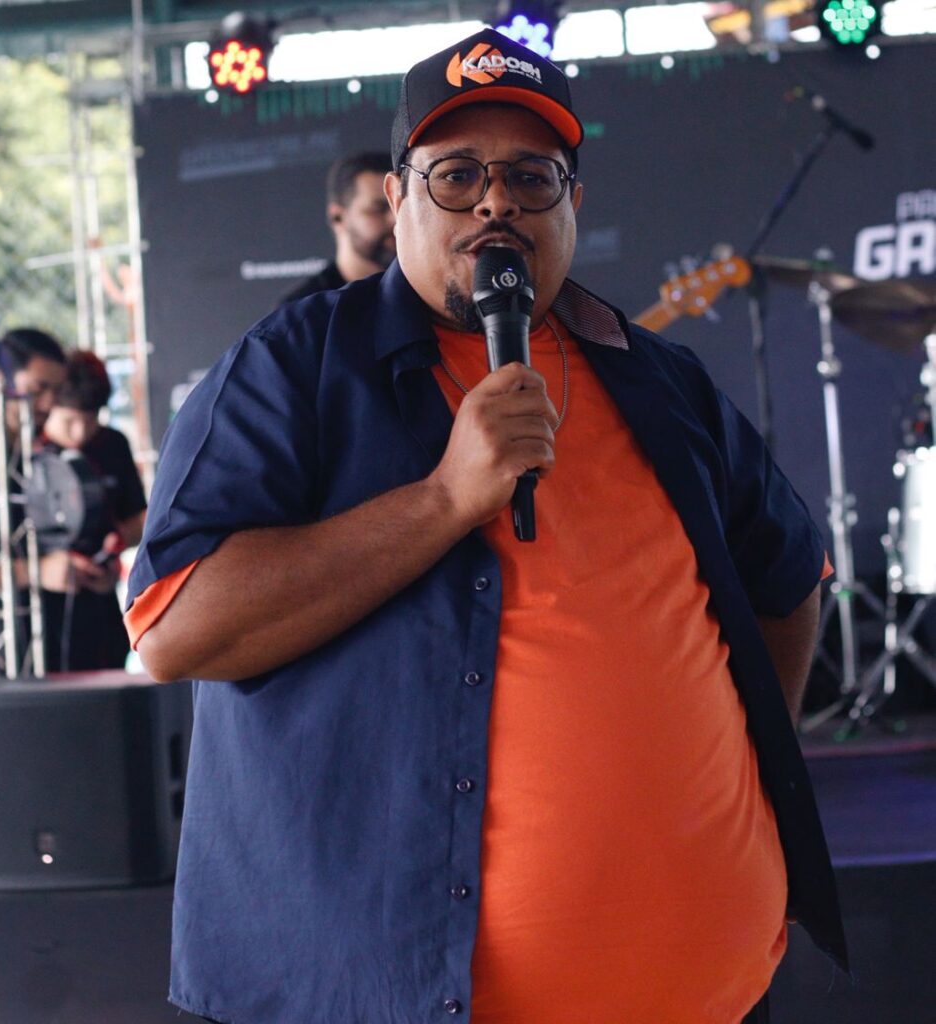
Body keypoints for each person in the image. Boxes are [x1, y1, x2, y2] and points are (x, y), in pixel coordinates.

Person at [126, 28, 847, 1024]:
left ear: (573, 204)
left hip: (714, 989)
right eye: (458, 174)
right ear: (399, 196)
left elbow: (789, 576)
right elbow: (175, 627)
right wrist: (444, 500)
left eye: (530, 177)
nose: (496, 202)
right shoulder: (293, 367)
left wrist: (739, 775)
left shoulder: (657, 377)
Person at [0, 327, 72, 670]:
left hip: (58, 651)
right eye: (38, 389)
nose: (49, 403)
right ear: (1, 380)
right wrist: (37, 572)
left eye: (57, 391)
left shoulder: (50, 460)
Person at [40, 350, 147, 671]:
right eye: (69, 421)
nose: (79, 432)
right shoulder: (24, 454)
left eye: (89, 421)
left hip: (101, 612)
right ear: (48, 407)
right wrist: (42, 569)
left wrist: (116, 542)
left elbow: (141, 518)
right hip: (36, 620)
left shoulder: (113, 444)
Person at [279, 150, 395, 301]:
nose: (395, 219)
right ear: (338, 217)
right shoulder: (303, 308)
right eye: (379, 209)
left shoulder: (420, 294)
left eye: (398, 206)